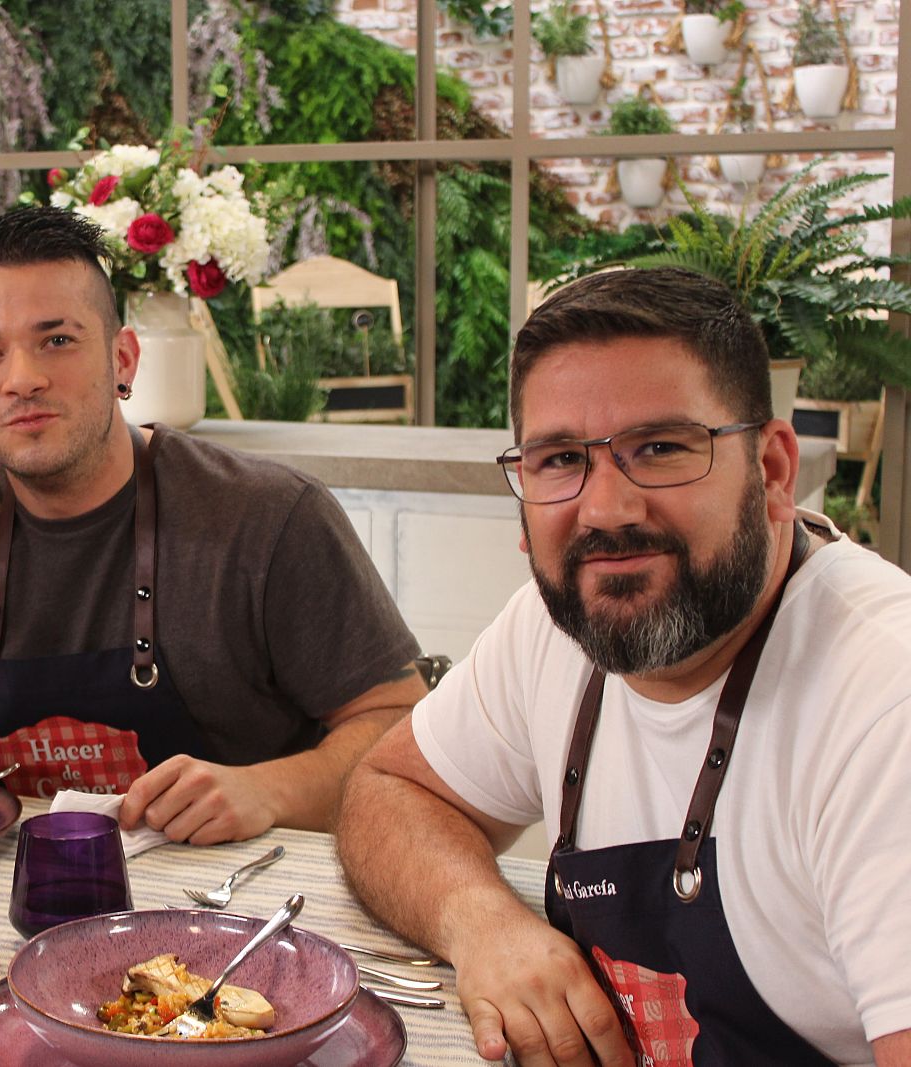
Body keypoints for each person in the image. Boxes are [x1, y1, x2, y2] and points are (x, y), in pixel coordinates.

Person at [336, 267, 911, 1066]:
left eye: (662, 448)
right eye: (560, 459)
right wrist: (483, 923)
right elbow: (390, 791)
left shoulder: (884, 699)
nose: (606, 510)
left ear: (774, 472)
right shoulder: (553, 627)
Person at [0, 206, 426, 843]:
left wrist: (269, 790)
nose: (22, 379)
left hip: (233, 896)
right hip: (10, 892)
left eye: (57, 340)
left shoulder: (267, 518)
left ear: (122, 359)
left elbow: (398, 726)